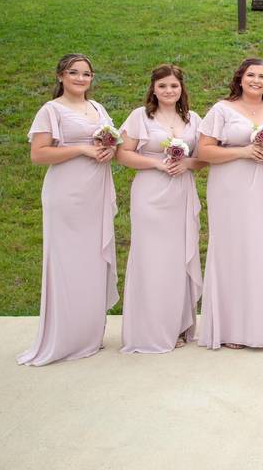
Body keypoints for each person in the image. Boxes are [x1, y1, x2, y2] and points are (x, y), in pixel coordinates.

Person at [19, 54, 118, 366]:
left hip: (95, 191)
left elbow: (109, 140)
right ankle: (62, 337)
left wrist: (108, 149)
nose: (80, 78)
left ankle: (88, 335)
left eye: (86, 74)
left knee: (91, 261)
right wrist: (81, 149)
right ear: (61, 76)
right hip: (66, 193)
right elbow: (39, 154)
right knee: (67, 261)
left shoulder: (97, 108)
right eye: (74, 72)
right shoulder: (51, 110)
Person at [197, 58, 263, 349]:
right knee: (232, 251)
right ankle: (231, 329)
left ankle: (259, 326)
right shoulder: (221, 109)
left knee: (259, 250)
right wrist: (244, 152)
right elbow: (204, 151)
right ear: (240, 78)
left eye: (262, 76)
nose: (256, 81)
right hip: (230, 188)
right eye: (251, 75)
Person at [117, 64, 204, 354]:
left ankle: (176, 324)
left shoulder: (193, 119)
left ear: (182, 89)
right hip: (151, 193)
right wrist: (157, 163)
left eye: (174, 86)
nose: (169, 91)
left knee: (178, 257)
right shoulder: (140, 117)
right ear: (153, 88)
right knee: (151, 257)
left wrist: (186, 163)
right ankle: (149, 328)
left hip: (181, 191)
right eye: (163, 86)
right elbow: (123, 154)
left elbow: (204, 158)